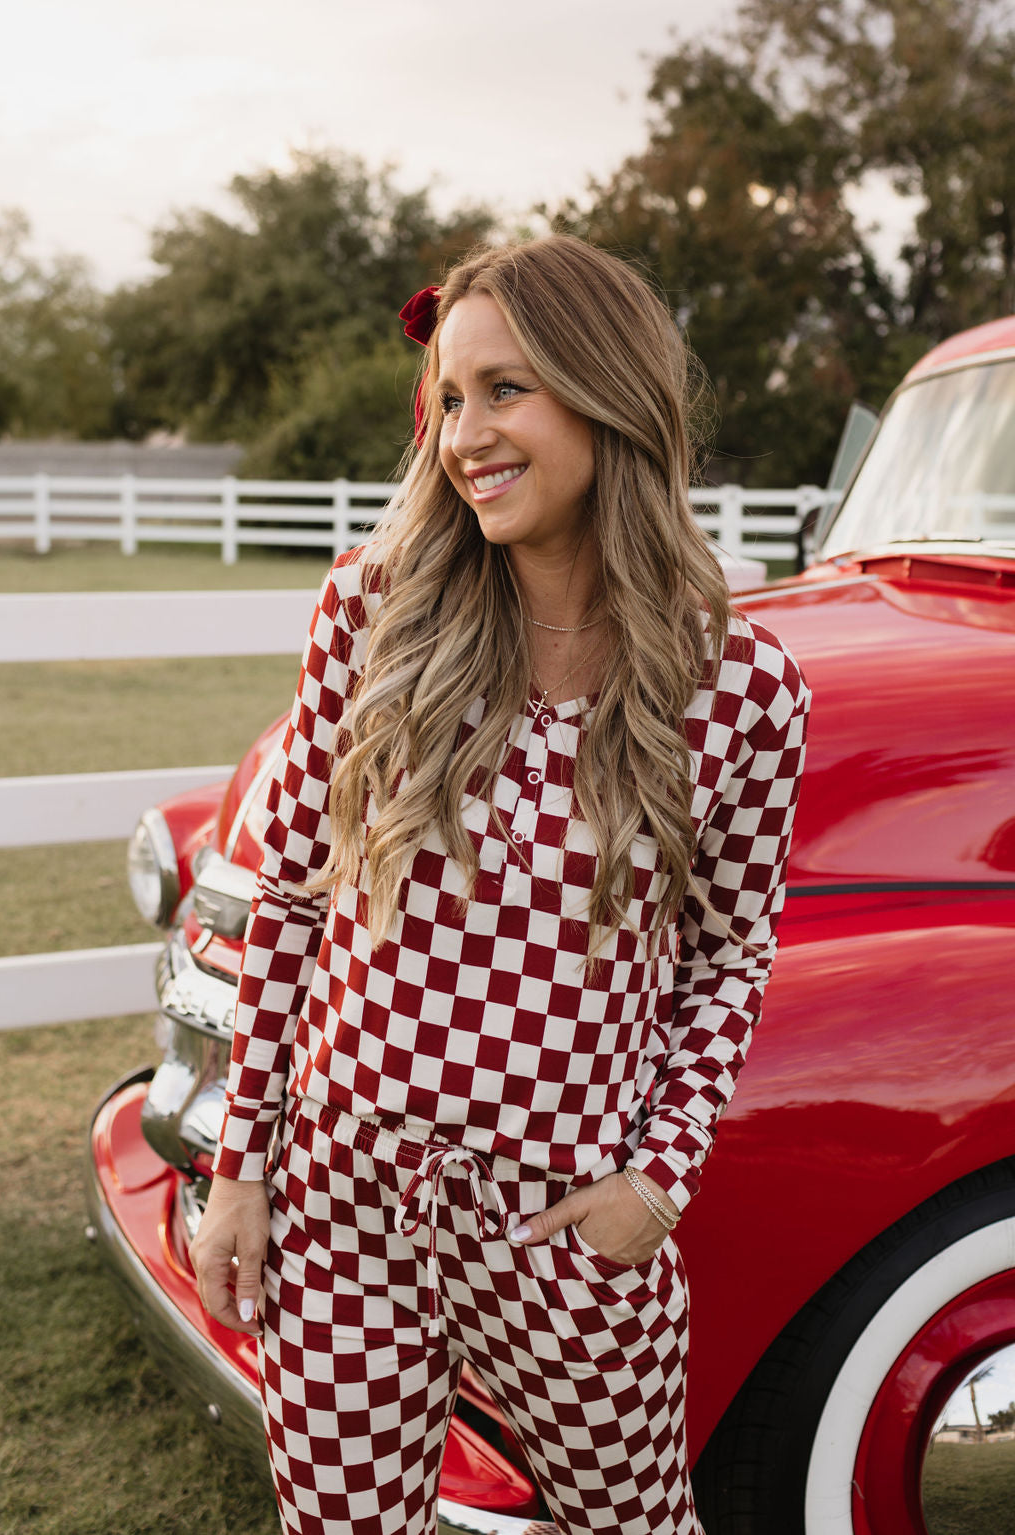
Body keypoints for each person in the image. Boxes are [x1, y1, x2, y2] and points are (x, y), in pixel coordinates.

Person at [190, 234, 810, 1535]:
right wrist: (244, 1166)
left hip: (567, 1229)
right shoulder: (372, 610)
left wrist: (658, 1183)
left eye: (507, 389)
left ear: (608, 391)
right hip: (346, 1205)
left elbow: (731, 953)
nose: (466, 433)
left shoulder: (747, 692)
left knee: (636, 1526)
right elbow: (294, 897)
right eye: (451, 398)